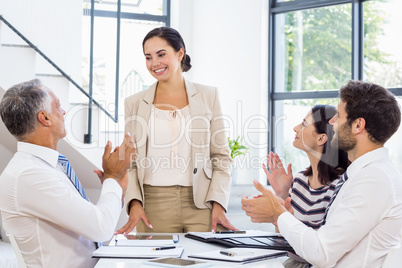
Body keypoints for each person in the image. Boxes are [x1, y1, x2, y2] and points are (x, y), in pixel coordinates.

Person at [242, 80, 402, 267]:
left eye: (339, 116)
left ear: (358, 125)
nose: (332, 122)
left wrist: (277, 213)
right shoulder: (363, 174)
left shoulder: (374, 180)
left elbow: (321, 252)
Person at [0, 79, 135, 267]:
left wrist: (114, 185)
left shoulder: (49, 165)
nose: (63, 112)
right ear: (45, 118)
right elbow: (101, 228)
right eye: (58, 107)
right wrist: (112, 178)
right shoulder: (29, 175)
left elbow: (90, 221)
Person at [117, 26, 236, 234]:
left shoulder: (209, 96)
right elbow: (130, 162)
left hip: (202, 203)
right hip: (153, 206)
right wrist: (134, 203)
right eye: (148, 57)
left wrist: (218, 202)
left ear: (180, 53)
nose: (154, 63)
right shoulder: (134, 103)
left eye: (161, 54)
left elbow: (221, 156)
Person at [264, 105, 349, 230]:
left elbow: (326, 243)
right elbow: (282, 236)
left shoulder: (340, 186)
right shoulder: (299, 181)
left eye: (304, 124)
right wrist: (282, 194)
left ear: (321, 138)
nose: (295, 128)